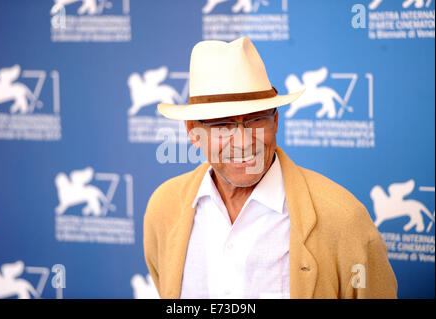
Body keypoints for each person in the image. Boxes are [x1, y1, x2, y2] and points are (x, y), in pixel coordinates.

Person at [143, 36, 397, 299]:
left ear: (275, 122)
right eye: (222, 125)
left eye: (255, 120)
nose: (242, 142)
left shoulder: (342, 219)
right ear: (193, 132)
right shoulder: (164, 208)